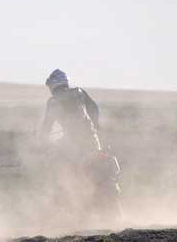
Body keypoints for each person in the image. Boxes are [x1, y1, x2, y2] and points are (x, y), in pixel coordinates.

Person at [39, 69, 121, 218]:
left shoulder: (53, 102)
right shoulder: (79, 92)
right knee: (104, 165)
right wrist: (96, 125)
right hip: (92, 140)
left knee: (61, 172)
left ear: (52, 85)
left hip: (72, 144)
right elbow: (94, 109)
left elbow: (46, 128)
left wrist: (42, 139)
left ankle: (67, 210)